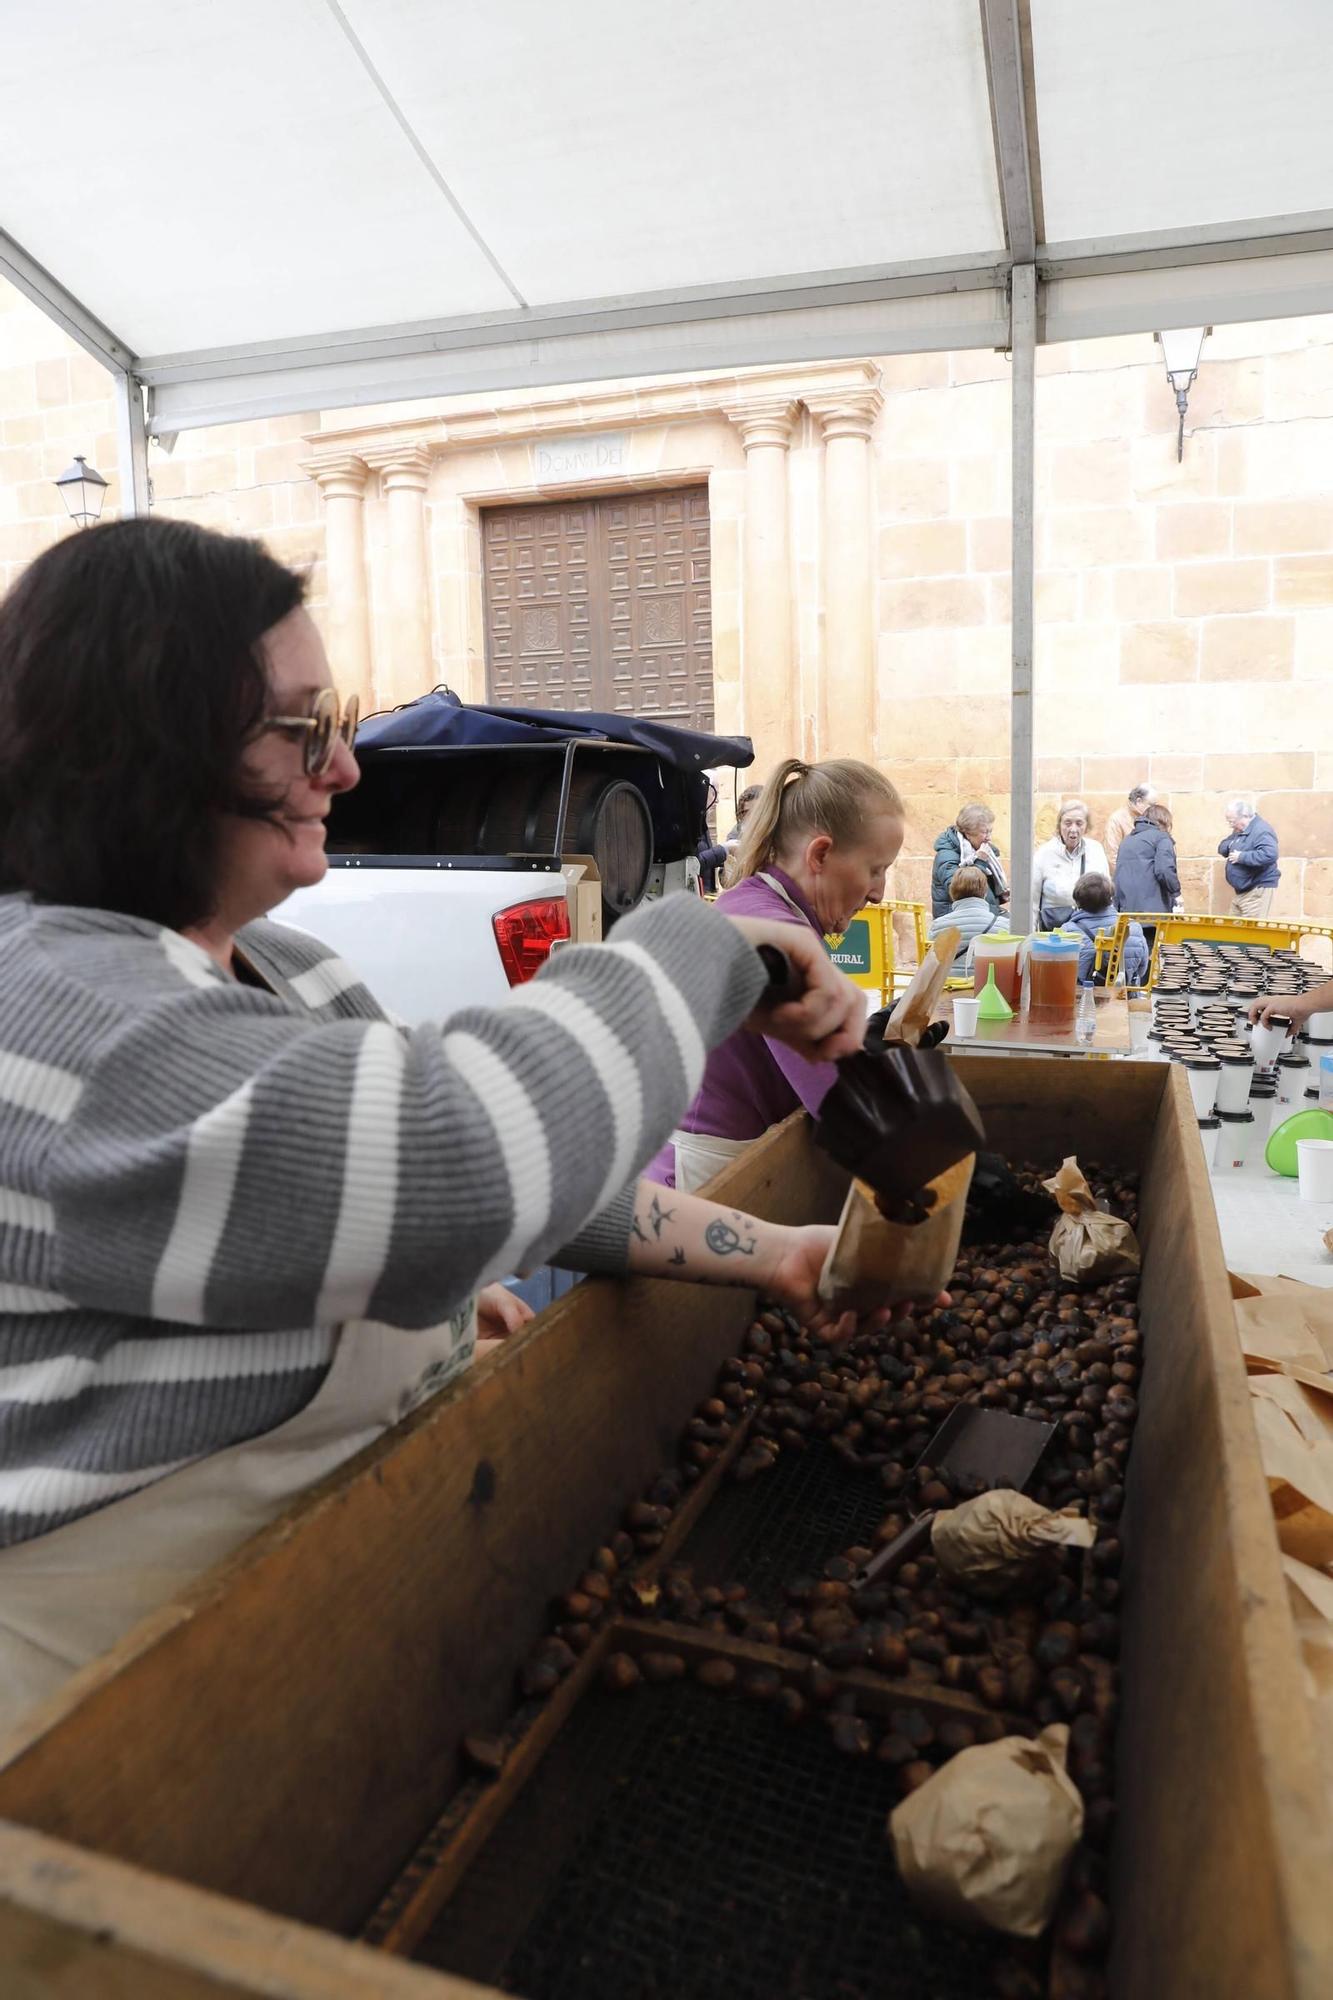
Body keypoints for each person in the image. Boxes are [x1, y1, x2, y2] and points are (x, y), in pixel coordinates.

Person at [0, 519, 878, 1730]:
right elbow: (459, 1162)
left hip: (320, 1633)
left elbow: (532, 1174)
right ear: (141, 751)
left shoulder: (281, 966)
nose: (345, 769)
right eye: (304, 729)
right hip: (101, 1735)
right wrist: (702, 945)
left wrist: (772, 1252)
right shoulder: (49, 1011)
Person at [646, 758, 905, 1192]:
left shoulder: (759, 906)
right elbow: (842, 1110)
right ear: (820, 854)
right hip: (706, 1177)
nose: (878, 893)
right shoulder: (778, 936)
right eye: (875, 869)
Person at [1068, 874, 1148, 987]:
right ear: (1110, 897)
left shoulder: (1068, 931)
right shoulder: (1133, 928)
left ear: (1077, 901)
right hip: (1124, 998)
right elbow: (1141, 971)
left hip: (1083, 1000)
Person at [931, 804, 1009, 918]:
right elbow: (963, 891)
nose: (989, 837)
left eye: (990, 832)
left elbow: (985, 893)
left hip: (978, 916)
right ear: (968, 834)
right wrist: (980, 863)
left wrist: (999, 896)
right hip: (955, 923)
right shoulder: (947, 855)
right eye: (985, 832)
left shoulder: (986, 852)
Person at [927, 866, 1004, 966]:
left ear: (952, 892)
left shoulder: (937, 926)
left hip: (949, 981)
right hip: (986, 981)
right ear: (985, 892)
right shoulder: (1003, 926)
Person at [1218, 796, 1280, 919]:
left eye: (1233, 821)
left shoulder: (1261, 830)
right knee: (1233, 929)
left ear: (1245, 816)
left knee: (1251, 931)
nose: (1231, 825)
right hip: (1242, 890)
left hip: (1256, 889)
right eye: (1229, 821)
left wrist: (1242, 857)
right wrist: (1231, 845)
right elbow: (1222, 847)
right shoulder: (1240, 830)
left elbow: (1269, 854)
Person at [1114, 802, 1180, 915]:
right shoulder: (1161, 838)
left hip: (1125, 912)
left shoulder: (1126, 841)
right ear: (1165, 822)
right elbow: (1164, 870)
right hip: (1153, 914)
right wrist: (1176, 893)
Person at [1105, 784, 1154, 875]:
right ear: (1139, 801)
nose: (1153, 809)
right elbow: (1112, 857)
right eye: (1151, 805)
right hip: (1126, 880)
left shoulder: (1150, 818)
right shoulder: (1117, 819)